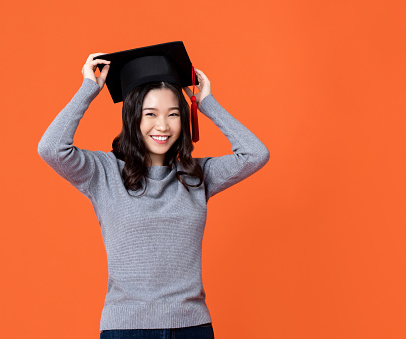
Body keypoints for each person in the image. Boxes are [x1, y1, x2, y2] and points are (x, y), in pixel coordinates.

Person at [38, 42, 270, 339]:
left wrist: (207, 103)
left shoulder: (196, 175)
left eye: (173, 114)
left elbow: (255, 154)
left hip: (193, 328)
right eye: (150, 114)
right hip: (127, 328)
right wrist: (88, 89)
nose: (163, 125)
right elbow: (51, 148)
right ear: (132, 117)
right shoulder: (103, 172)